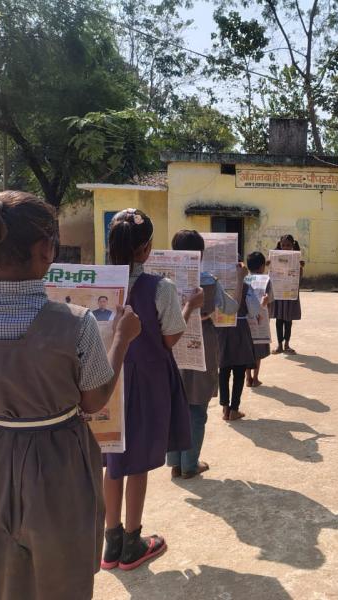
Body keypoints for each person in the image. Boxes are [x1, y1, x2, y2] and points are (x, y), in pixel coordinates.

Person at [0, 191, 141, 600]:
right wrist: (121, 340)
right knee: (60, 573)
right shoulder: (77, 323)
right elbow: (93, 401)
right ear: (46, 249)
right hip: (57, 458)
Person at [102, 209, 204, 571]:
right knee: (138, 463)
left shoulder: (101, 283)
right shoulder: (161, 287)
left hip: (105, 380)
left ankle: (111, 541)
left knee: (112, 460)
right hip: (146, 380)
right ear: (146, 249)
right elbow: (170, 337)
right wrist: (189, 307)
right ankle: (133, 542)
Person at [165, 230, 242, 480]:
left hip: (171, 343)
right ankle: (190, 465)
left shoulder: (163, 282)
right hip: (202, 343)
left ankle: (175, 463)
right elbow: (231, 308)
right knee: (197, 406)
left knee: (175, 404)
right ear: (200, 254)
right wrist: (240, 280)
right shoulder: (208, 282)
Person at [218, 258, 263, 421]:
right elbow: (254, 310)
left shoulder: (216, 285)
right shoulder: (245, 286)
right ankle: (234, 409)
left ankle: (225, 408)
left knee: (223, 370)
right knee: (239, 372)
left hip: (221, 330)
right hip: (240, 330)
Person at [270, 234, 303, 354]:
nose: (285, 247)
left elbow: (299, 277)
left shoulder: (296, 259)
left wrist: (300, 267)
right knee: (279, 319)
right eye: (283, 245)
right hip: (279, 293)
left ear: (292, 245)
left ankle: (287, 345)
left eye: (288, 245)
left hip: (290, 293)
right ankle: (279, 345)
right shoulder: (274, 258)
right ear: (280, 245)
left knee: (288, 320)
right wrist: (270, 265)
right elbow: (271, 274)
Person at [245, 251, 274, 387]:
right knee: (258, 351)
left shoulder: (245, 279)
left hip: (246, 321)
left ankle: (248, 378)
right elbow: (270, 300)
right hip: (261, 320)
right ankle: (255, 378)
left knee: (247, 350)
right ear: (262, 266)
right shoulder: (266, 280)